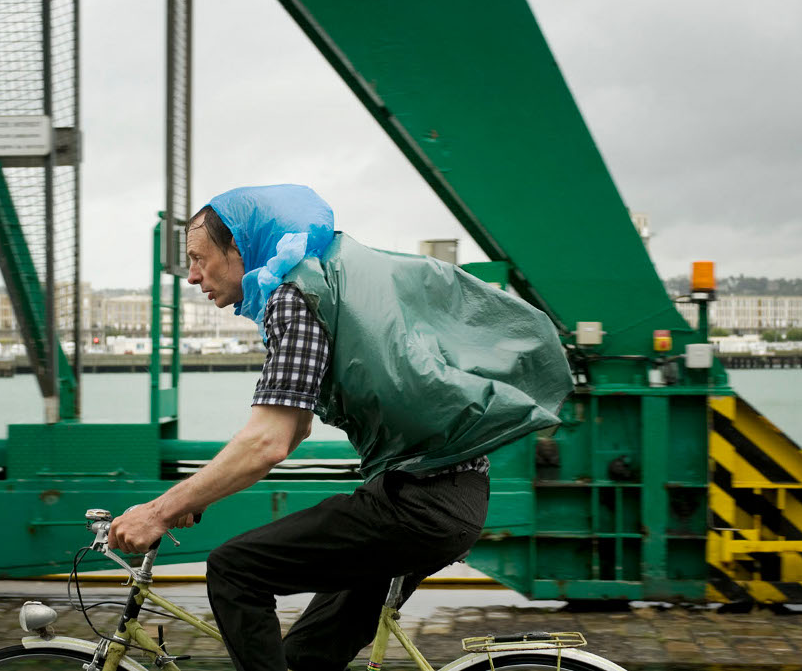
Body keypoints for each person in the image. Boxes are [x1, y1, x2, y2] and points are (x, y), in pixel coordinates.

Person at [110, 184, 572, 671]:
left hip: (417, 504)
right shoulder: (324, 281)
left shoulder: (296, 295)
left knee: (235, 570)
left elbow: (268, 441)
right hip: (444, 496)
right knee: (305, 659)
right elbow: (294, 429)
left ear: (241, 247)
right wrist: (195, 497)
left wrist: (159, 510)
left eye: (199, 257)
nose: (192, 275)